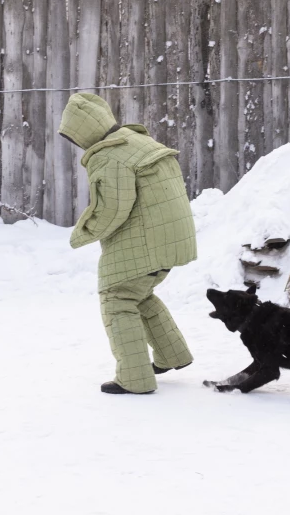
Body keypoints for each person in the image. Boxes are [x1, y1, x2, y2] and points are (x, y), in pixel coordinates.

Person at [59, 93, 196, 395]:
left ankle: (134, 379)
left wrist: (82, 233)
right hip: (171, 238)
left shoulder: (108, 156)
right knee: (140, 294)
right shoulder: (139, 141)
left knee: (117, 300)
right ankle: (171, 355)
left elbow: (111, 208)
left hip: (145, 239)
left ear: (83, 130)